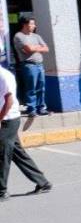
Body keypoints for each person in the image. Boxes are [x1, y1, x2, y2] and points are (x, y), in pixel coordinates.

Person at [0, 63, 52, 201]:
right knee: (17, 153)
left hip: (8, 120)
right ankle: (42, 182)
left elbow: (9, 100)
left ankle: (1, 191)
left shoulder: (4, 76)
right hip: (4, 119)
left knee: (3, 154)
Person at [12, 17, 50, 116]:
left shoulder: (36, 36)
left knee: (41, 87)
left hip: (39, 65)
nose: (34, 26)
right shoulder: (19, 36)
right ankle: (31, 109)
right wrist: (38, 47)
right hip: (29, 65)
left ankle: (41, 108)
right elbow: (28, 49)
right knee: (31, 88)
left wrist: (35, 48)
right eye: (32, 24)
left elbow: (46, 48)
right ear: (25, 24)